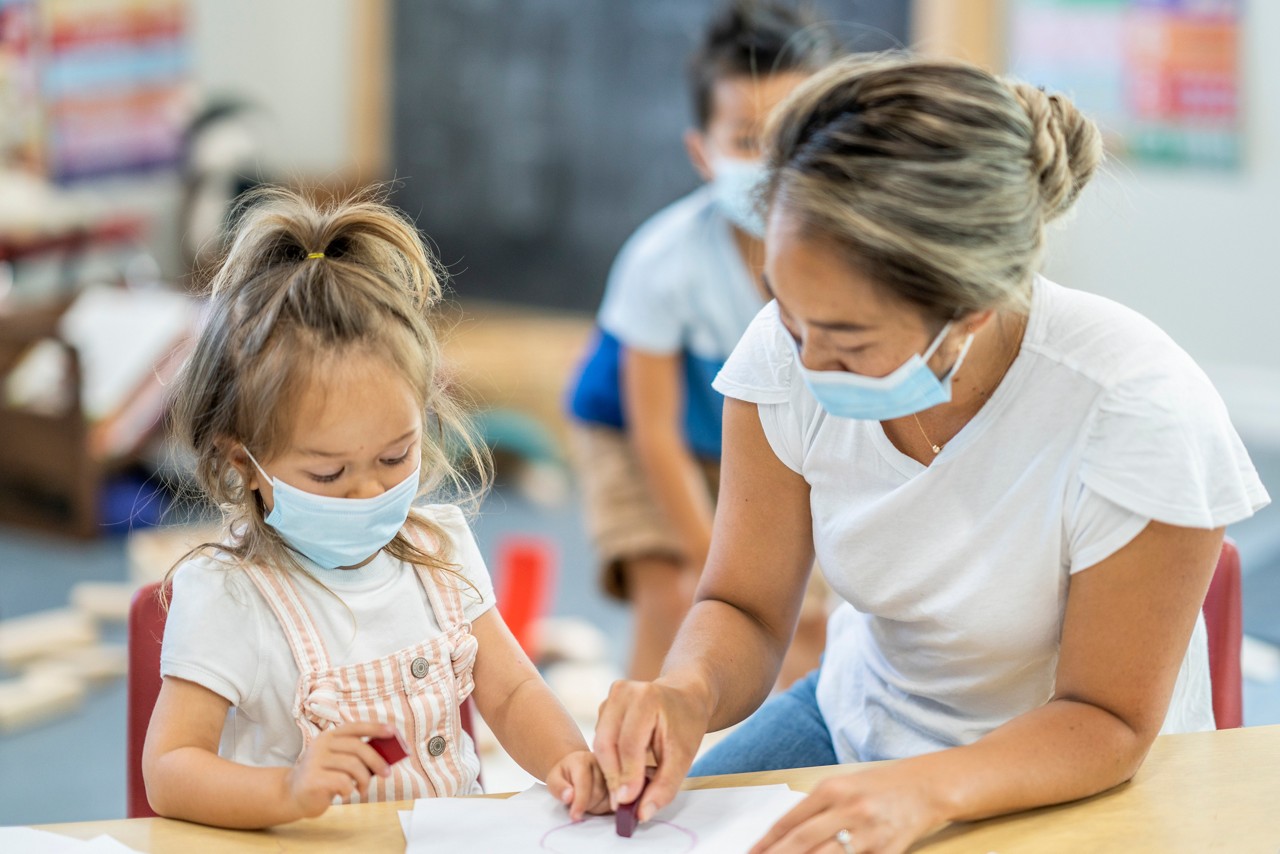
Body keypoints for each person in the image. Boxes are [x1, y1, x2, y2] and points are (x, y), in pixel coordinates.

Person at [592, 54, 1270, 854]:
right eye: (784, 309)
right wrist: (686, 691)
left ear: (972, 310)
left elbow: (1108, 720)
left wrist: (927, 787)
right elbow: (743, 605)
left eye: (849, 342)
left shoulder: (1136, 408)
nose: (806, 363)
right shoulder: (782, 356)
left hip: (1077, 760)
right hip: (861, 714)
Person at [143, 189, 608, 828]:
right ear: (243, 461)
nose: (369, 492)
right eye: (329, 472)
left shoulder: (438, 548)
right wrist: (286, 790)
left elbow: (514, 689)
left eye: (396, 458)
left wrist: (567, 760)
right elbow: (170, 771)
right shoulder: (228, 595)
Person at [566, 0, 839, 682]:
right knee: (679, 596)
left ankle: (773, 761)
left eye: (794, 136)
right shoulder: (665, 261)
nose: (775, 164)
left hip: (746, 434)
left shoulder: (845, 262)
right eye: (748, 141)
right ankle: (630, 752)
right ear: (702, 152)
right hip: (633, 434)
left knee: (807, 621)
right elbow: (654, 434)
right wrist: (713, 568)